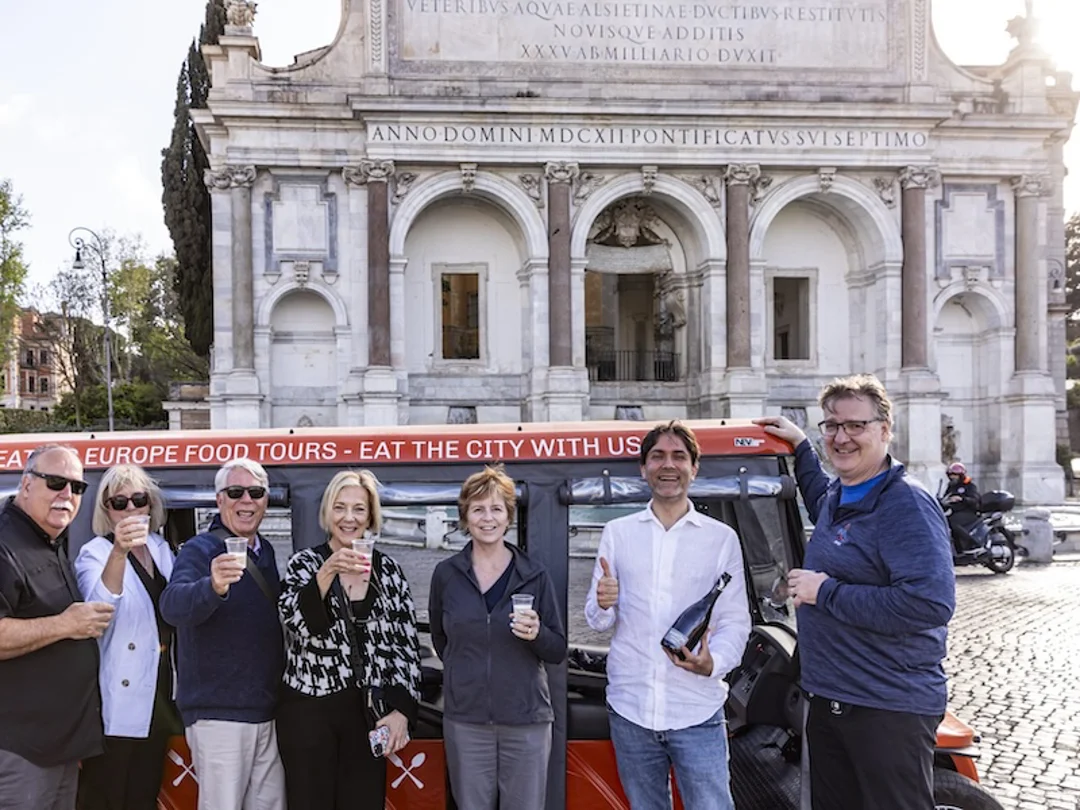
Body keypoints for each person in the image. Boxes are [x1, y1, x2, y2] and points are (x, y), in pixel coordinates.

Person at [755, 374, 956, 810]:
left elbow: (929, 603)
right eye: (831, 426)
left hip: (885, 709)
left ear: (885, 430)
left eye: (855, 426)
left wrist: (825, 592)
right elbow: (816, 494)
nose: (841, 437)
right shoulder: (840, 494)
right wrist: (801, 447)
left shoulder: (905, 504)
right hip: (829, 699)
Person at [585, 422, 749, 810]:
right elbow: (597, 620)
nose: (668, 465)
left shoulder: (720, 539)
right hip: (631, 710)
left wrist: (713, 662)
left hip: (697, 709)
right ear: (643, 468)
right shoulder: (617, 533)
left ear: (694, 467)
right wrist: (604, 602)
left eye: (679, 456)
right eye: (657, 456)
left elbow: (734, 622)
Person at [277, 469, 422, 810]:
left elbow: (405, 645)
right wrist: (327, 572)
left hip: (367, 713)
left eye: (359, 508)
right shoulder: (304, 564)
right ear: (328, 512)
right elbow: (296, 625)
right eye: (340, 507)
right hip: (308, 712)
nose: (349, 517)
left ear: (371, 515)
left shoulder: (389, 571)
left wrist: (401, 709)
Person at [429, 465, 566, 810]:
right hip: (466, 721)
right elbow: (442, 639)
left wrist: (536, 634)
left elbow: (557, 649)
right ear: (465, 517)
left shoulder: (533, 575)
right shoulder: (446, 574)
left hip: (526, 721)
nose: (487, 518)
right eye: (477, 509)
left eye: (496, 509)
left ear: (508, 517)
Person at [159, 458, 286, 810]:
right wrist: (212, 586)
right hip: (219, 716)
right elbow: (172, 606)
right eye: (236, 492)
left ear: (265, 500)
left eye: (256, 492)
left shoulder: (266, 552)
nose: (246, 500)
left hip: (265, 712)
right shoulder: (201, 549)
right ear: (220, 499)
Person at [0, 444, 114, 810]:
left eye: (77, 487)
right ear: (26, 483)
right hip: (22, 749)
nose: (67, 494)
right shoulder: (5, 544)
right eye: (55, 482)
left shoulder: (51, 540)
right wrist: (65, 625)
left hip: (61, 747)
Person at [74, 464, 178, 810]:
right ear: (107, 510)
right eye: (120, 503)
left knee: (143, 796)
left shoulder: (163, 550)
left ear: (151, 505)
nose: (131, 509)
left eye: (139, 499)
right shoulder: (96, 552)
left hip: (160, 693)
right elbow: (98, 612)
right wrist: (119, 551)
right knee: (107, 797)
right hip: (117, 702)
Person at [943, 462, 982, 554]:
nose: (952, 477)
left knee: (952, 522)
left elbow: (974, 500)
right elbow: (946, 498)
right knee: (944, 520)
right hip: (955, 511)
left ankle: (972, 543)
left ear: (960, 475)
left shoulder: (970, 486)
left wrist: (962, 499)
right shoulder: (951, 487)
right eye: (951, 475)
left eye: (955, 475)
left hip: (969, 512)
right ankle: (957, 549)